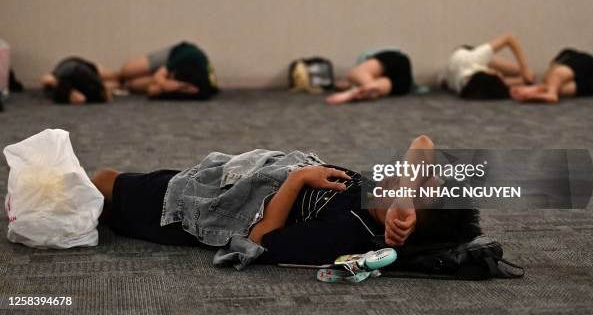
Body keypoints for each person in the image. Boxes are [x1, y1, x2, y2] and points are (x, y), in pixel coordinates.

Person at [91, 135, 481, 268]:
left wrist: (296, 181)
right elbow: (424, 143)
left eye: (417, 186)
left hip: (198, 210)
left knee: (104, 188)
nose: (406, 173)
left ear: (409, 222)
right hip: (226, 181)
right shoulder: (371, 197)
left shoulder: (346, 232)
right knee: (104, 192)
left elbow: (260, 243)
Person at [443, 34, 534, 99]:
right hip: (472, 78)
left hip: (465, 56)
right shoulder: (468, 87)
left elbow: (509, 38)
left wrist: (524, 68)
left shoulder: (473, 58)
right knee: (529, 76)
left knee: (527, 74)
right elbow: (499, 83)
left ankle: (523, 74)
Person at [120, 41, 218, 100]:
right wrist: (165, 83)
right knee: (126, 71)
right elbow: (159, 75)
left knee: (133, 85)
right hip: (171, 55)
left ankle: (114, 84)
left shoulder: (198, 90)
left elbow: (151, 91)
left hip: (179, 78)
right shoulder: (188, 55)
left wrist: (174, 87)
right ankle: (113, 77)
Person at [511, 48, 593, 103]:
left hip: (588, 64)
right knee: (558, 87)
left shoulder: (568, 57)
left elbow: (555, 72)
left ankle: (550, 92)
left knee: (554, 77)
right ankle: (549, 92)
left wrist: (535, 88)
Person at [326, 48, 413, 104]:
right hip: (404, 82)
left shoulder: (366, 63)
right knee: (375, 88)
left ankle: (358, 90)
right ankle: (362, 89)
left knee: (355, 74)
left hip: (397, 59)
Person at [40, 57, 119, 104]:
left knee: (116, 76)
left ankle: (121, 82)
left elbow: (47, 79)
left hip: (75, 67)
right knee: (115, 79)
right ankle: (122, 84)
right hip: (73, 70)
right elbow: (81, 99)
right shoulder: (59, 87)